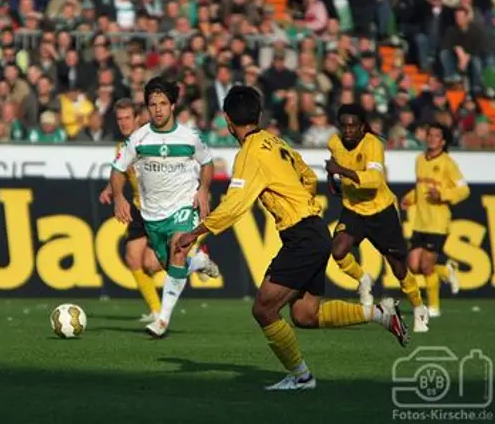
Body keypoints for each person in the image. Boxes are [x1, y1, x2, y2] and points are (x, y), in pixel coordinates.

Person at [176, 86, 408, 391]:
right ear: (258, 115)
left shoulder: (250, 153)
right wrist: (301, 199)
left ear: (228, 121)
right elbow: (307, 176)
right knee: (305, 314)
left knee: (263, 309)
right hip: (314, 229)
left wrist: (195, 233)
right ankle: (380, 314)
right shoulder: (275, 141)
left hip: (303, 236)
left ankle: (302, 377)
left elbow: (235, 205)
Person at [110, 77, 220, 337]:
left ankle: (162, 320)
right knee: (165, 264)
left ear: (172, 105)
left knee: (179, 247)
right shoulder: (137, 139)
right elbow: (117, 170)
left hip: (184, 205)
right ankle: (199, 261)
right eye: (152, 104)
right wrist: (118, 197)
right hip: (152, 214)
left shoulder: (191, 136)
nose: (158, 109)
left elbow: (207, 164)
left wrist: (203, 190)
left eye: (162, 103)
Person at [324, 103, 429, 333]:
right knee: (338, 250)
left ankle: (420, 308)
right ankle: (363, 279)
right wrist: (332, 178)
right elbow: (334, 167)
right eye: (344, 126)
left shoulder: (372, 144)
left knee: (399, 269)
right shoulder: (334, 142)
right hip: (353, 210)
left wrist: (340, 171)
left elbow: (372, 181)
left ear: (363, 127)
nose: (348, 130)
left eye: (353, 126)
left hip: (381, 211)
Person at [99, 98, 163, 323]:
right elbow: (120, 172)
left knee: (151, 264)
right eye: (120, 119)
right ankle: (156, 311)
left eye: (128, 118)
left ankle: (193, 257)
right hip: (139, 207)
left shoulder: (151, 141)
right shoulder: (123, 147)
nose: (124, 123)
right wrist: (112, 191)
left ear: (137, 118)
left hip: (161, 209)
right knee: (133, 258)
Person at [400, 123, 468, 318]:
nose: (431, 138)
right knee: (413, 266)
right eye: (429, 135)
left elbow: (464, 190)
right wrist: (410, 198)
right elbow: (420, 188)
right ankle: (447, 271)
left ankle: (434, 307)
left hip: (438, 223)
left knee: (427, 267)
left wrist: (442, 194)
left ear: (443, 141)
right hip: (420, 222)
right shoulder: (420, 159)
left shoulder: (448, 163)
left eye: (436, 136)